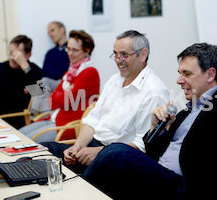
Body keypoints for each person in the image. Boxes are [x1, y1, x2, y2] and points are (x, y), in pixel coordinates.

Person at [80, 43, 217, 200]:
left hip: (188, 189)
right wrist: (156, 129)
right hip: (161, 178)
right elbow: (152, 153)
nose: (179, 80)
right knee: (64, 153)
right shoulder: (185, 112)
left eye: (187, 74)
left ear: (210, 74)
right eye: (179, 73)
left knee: (116, 152)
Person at [41, 30, 170, 174]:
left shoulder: (153, 92)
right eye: (115, 54)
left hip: (115, 158)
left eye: (124, 55)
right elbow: (92, 120)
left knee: (73, 180)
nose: (118, 59)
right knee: (42, 150)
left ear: (143, 55)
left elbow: (142, 146)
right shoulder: (115, 80)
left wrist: (98, 153)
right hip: (88, 143)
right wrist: (77, 147)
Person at [19, 30, 100, 143]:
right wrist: (64, 93)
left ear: (86, 50)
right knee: (18, 135)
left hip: (68, 125)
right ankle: (34, 111)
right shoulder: (71, 71)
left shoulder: (90, 72)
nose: (70, 53)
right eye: (68, 49)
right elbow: (52, 100)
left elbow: (65, 101)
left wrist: (62, 95)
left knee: (26, 141)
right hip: (55, 118)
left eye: (74, 50)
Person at [0, 35, 43, 129]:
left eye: (18, 55)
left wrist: (24, 66)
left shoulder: (33, 70)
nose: (12, 57)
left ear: (28, 55)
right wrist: (23, 92)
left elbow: (40, 93)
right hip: (2, 118)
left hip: (25, 120)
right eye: (11, 53)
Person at [31, 21, 70, 113]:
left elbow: (66, 71)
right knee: (36, 86)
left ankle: (35, 114)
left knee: (43, 82)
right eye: (49, 33)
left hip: (64, 82)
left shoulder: (71, 50)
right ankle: (37, 113)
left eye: (52, 30)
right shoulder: (50, 53)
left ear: (62, 29)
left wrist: (49, 76)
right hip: (50, 82)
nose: (50, 34)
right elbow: (43, 73)